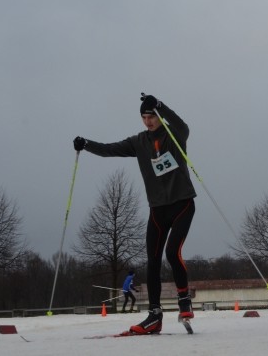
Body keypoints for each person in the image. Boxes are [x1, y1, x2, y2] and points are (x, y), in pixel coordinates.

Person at [73, 94, 196, 335]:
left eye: (152, 117)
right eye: (144, 117)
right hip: (157, 210)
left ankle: (184, 302)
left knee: (172, 252)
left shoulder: (174, 134)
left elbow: (183, 125)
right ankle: (154, 316)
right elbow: (111, 149)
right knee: (152, 262)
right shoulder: (139, 142)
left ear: (159, 117)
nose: (148, 122)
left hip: (182, 204)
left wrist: (161, 105)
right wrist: (86, 144)